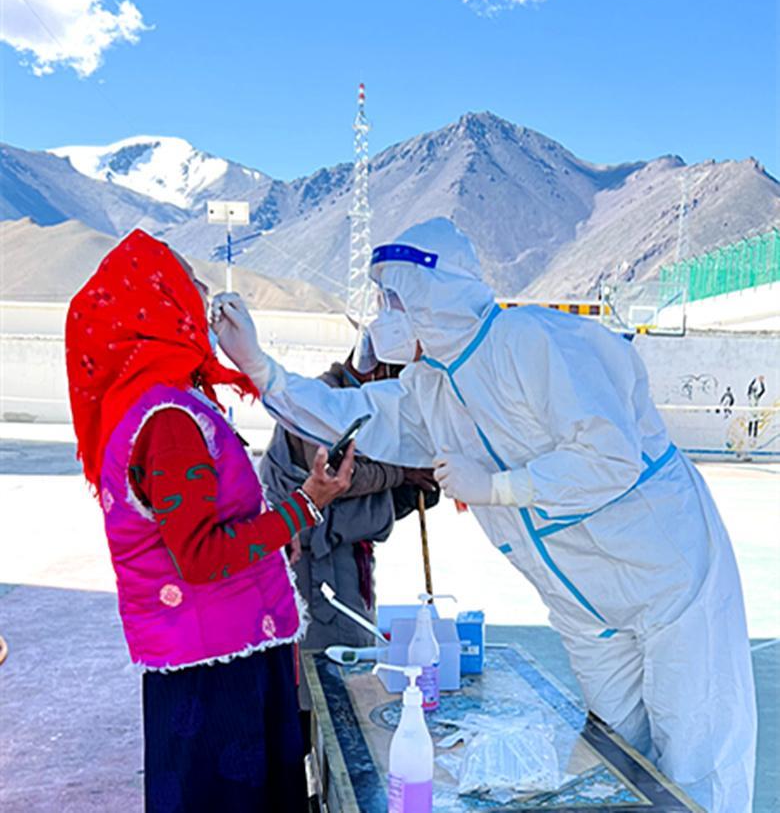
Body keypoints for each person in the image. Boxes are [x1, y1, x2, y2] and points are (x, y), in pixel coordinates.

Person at [213, 217, 756, 813]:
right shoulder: (430, 389)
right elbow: (354, 416)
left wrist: (499, 486)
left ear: (435, 295)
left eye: (393, 298)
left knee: (696, 759)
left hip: (665, 574)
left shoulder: (535, 341)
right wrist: (264, 371)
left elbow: (611, 456)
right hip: (582, 601)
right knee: (615, 759)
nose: (384, 314)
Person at [65, 229, 354, 813]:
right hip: (218, 672)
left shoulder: (157, 402)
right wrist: (306, 505)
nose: (203, 294)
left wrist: (272, 543)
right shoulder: (169, 420)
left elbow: (205, 529)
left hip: (214, 649)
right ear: (158, 304)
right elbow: (201, 558)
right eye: (186, 282)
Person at [258, 343, 438, 726]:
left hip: (348, 563)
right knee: (324, 684)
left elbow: (368, 500)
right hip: (312, 565)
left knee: (349, 672)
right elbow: (338, 476)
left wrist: (409, 487)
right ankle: (313, 770)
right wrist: (403, 473)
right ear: (380, 372)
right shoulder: (325, 399)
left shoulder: (366, 405)